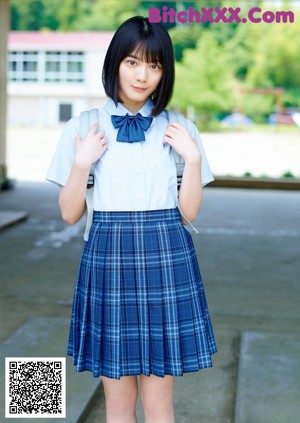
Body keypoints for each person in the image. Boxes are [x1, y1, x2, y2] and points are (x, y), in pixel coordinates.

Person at [47, 16, 217, 423]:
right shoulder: (84, 126)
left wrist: (192, 158)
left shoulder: (181, 129)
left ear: (165, 72)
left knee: (159, 403)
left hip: (167, 257)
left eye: (155, 66)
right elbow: (70, 214)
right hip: (108, 257)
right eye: (133, 62)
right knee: (119, 403)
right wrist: (82, 162)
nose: (143, 75)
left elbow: (189, 211)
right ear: (115, 64)